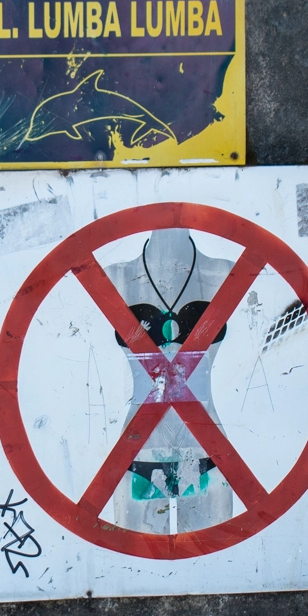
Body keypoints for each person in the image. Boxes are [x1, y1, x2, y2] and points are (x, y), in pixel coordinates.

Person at [103, 228, 234, 534]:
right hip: (140, 452)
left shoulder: (223, 274)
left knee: (211, 566)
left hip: (206, 453)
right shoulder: (116, 278)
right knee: (140, 569)